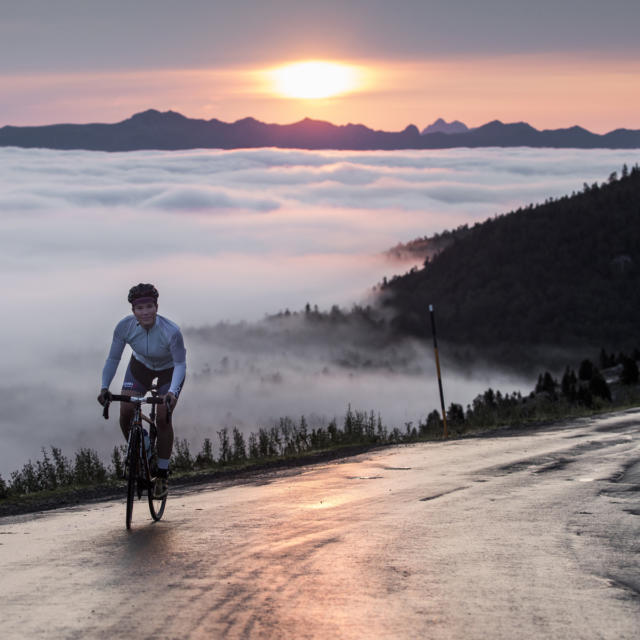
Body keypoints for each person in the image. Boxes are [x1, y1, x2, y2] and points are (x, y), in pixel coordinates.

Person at [98, 283, 186, 498]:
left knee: (164, 418)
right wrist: (104, 387)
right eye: (140, 308)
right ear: (133, 311)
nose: (145, 312)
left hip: (169, 370)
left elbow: (181, 364)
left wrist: (172, 392)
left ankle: (163, 474)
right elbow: (113, 358)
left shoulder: (171, 331)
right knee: (126, 412)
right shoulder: (124, 327)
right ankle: (142, 448)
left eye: (149, 307)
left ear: (156, 307)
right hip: (140, 368)